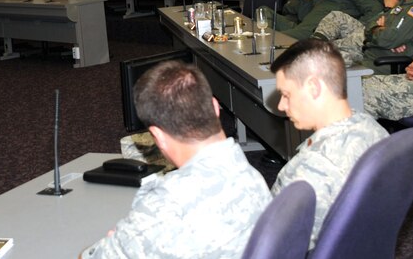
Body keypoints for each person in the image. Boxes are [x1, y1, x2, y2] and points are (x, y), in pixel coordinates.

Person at [80, 61, 272, 259]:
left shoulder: (165, 207)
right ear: (215, 107)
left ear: (158, 136)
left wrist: (121, 241)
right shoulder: (251, 175)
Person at [270, 39, 388, 248]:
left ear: (314, 87)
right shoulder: (374, 130)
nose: (281, 105)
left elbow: (275, 245)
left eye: (286, 95)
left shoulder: (311, 169)